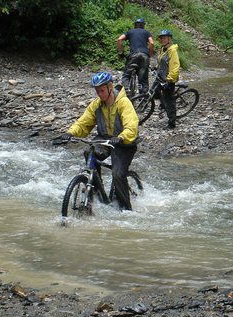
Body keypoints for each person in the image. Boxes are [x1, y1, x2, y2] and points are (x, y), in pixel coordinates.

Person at [56, 71, 140, 211]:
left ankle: (126, 209)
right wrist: (70, 133)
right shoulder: (97, 105)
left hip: (124, 142)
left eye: (101, 90)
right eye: (97, 91)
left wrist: (120, 137)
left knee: (118, 174)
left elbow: (132, 126)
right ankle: (94, 188)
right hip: (105, 138)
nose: (99, 94)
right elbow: (83, 123)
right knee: (89, 151)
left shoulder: (124, 103)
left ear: (110, 87)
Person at [117, 18, 154, 95]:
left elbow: (119, 39)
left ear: (135, 25)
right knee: (143, 79)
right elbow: (151, 43)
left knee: (126, 76)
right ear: (143, 25)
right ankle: (143, 98)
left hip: (133, 56)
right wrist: (150, 55)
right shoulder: (146, 32)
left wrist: (120, 52)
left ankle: (127, 90)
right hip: (144, 56)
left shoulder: (130, 32)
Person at [155, 29, 180, 129]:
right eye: (161, 38)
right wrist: (156, 66)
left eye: (164, 38)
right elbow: (161, 61)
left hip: (168, 80)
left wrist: (169, 80)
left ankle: (172, 122)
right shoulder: (163, 49)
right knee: (155, 92)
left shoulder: (172, 50)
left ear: (169, 39)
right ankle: (162, 105)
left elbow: (175, 66)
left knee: (170, 102)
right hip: (161, 77)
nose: (162, 40)